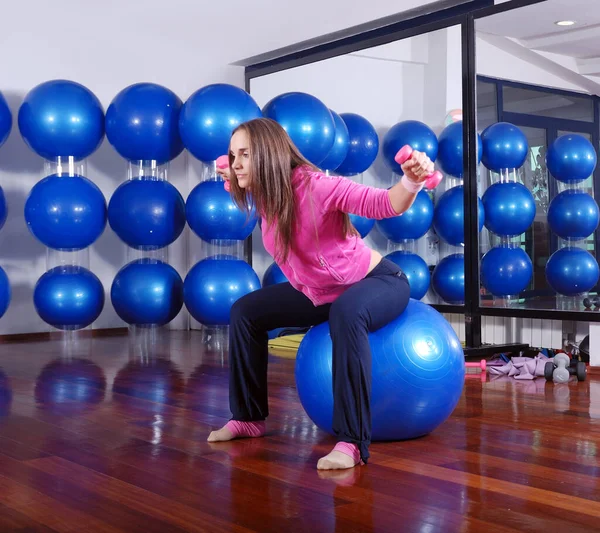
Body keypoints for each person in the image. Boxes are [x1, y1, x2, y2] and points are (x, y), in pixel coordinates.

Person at [208, 117, 435, 470]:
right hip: (320, 292)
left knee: (347, 312)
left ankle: (352, 443)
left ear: (269, 155)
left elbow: (386, 203)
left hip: (378, 282)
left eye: (245, 154)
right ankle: (248, 418)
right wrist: (236, 170)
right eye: (232, 154)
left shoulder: (318, 187)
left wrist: (411, 180)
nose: (235, 163)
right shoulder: (266, 191)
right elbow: (237, 176)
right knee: (245, 312)